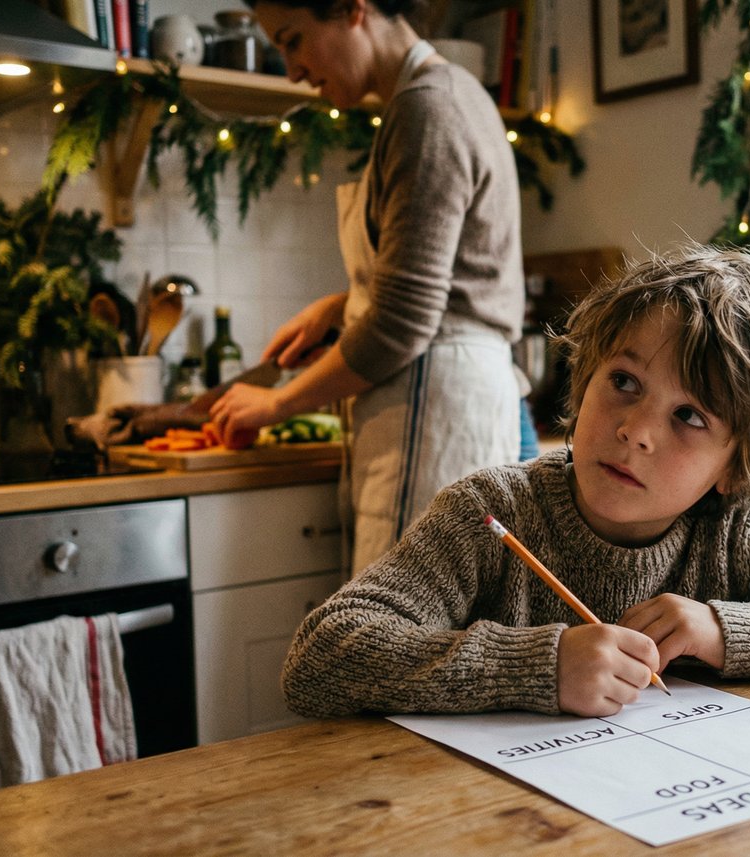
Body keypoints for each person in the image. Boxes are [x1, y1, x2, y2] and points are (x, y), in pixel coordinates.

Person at [281, 244, 750, 719]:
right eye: (623, 381)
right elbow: (320, 656)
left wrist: (728, 629)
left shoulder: (740, 533)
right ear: (586, 376)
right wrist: (537, 665)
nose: (636, 430)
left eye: (689, 415)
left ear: (735, 465)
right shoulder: (491, 514)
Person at [211, 0, 526, 573]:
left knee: (396, 642)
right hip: (445, 395)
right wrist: (340, 307)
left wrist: (277, 402)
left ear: (353, 10)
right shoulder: (453, 92)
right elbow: (448, 269)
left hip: (433, 398)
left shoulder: (427, 110)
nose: (293, 70)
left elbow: (401, 325)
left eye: (293, 39)